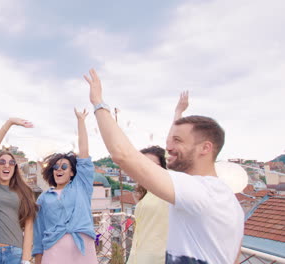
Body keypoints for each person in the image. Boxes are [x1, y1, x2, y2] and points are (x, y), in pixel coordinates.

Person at [85, 69, 243, 264]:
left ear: (205, 148)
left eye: (177, 140)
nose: (168, 147)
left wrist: (99, 103)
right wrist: (178, 114)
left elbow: (123, 154)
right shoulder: (226, 200)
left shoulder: (202, 191)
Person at [33, 109, 97, 264]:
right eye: (55, 167)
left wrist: (80, 121)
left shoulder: (81, 186)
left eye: (63, 167)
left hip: (82, 250)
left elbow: (84, 154)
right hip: (54, 252)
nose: (58, 170)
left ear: (73, 172)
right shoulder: (44, 198)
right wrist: (38, 258)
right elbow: (38, 230)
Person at [0, 118, 38, 264]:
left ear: (15, 168)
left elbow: (29, 227)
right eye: (2, 162)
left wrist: (26, 258)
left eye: (11, 163)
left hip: (14, 253)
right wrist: (9, 123)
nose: (7, 166)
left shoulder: (24, 192)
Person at [127, 146, 169, 264]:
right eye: (143, 165)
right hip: (139, 255)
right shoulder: (148, 193)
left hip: (158, 257)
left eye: (152, 165)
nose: (147, 169)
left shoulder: (169, 192)